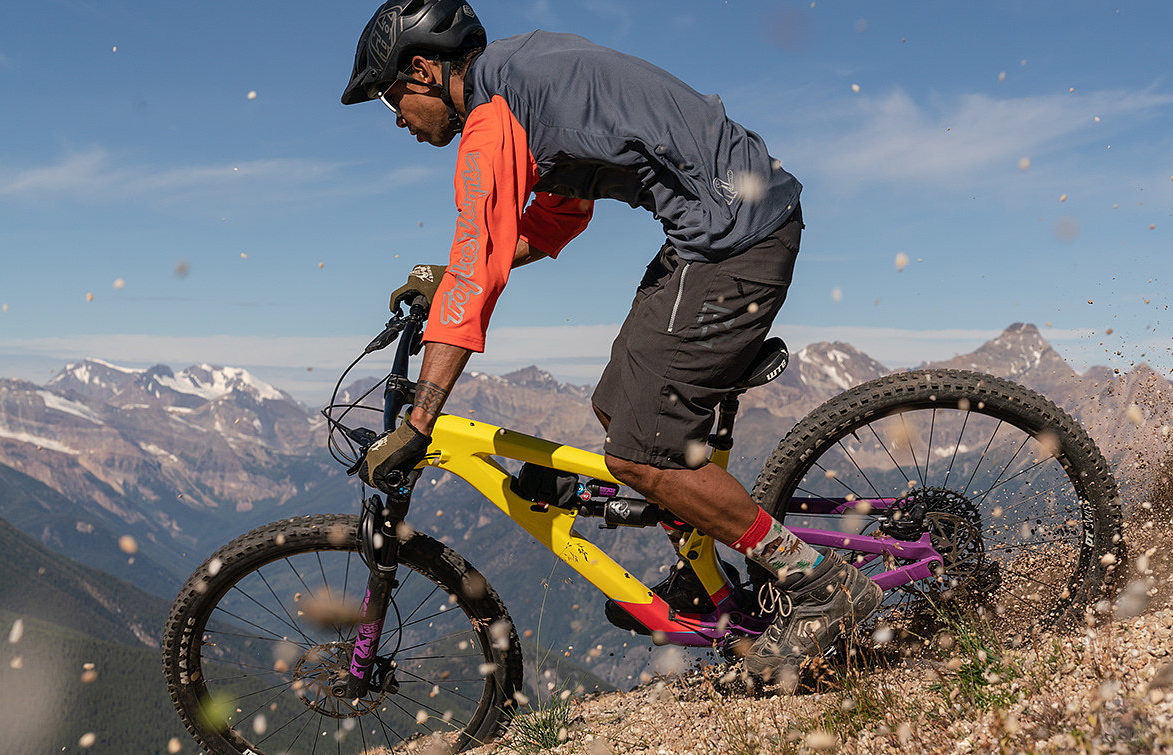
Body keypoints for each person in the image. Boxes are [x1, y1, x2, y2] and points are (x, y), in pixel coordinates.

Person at [342, 0, 881, 686]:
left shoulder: (492, 116)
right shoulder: (521, 77)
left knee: (639, 457)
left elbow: (480, 261)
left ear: (422, 70)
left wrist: (422, 419)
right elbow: (564, 210)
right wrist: (455, 275)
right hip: (716, 230)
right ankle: (707, 580)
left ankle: (823, 586)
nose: (397, 120)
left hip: (731, 238)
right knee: (615, 409)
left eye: (392, 99)